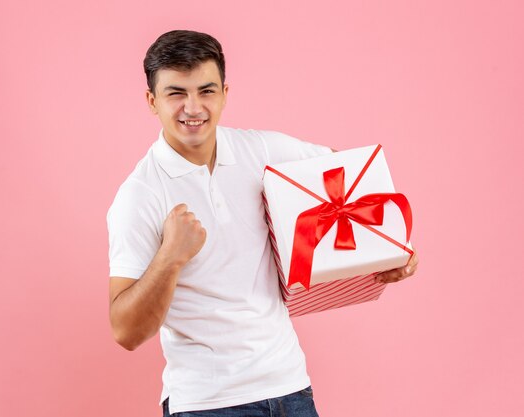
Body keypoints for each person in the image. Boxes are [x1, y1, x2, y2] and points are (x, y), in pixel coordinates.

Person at [107, 30, 419, 417]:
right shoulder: (140, 195)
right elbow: (126, 331)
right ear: (151, 101)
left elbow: (349, 176)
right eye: (176, 93)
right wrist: (170, 257)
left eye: (206, 91)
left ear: (224, 92)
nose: (193, 107)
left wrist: (387, 252)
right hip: (208, 404)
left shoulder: (261, 151)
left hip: (290, 388)